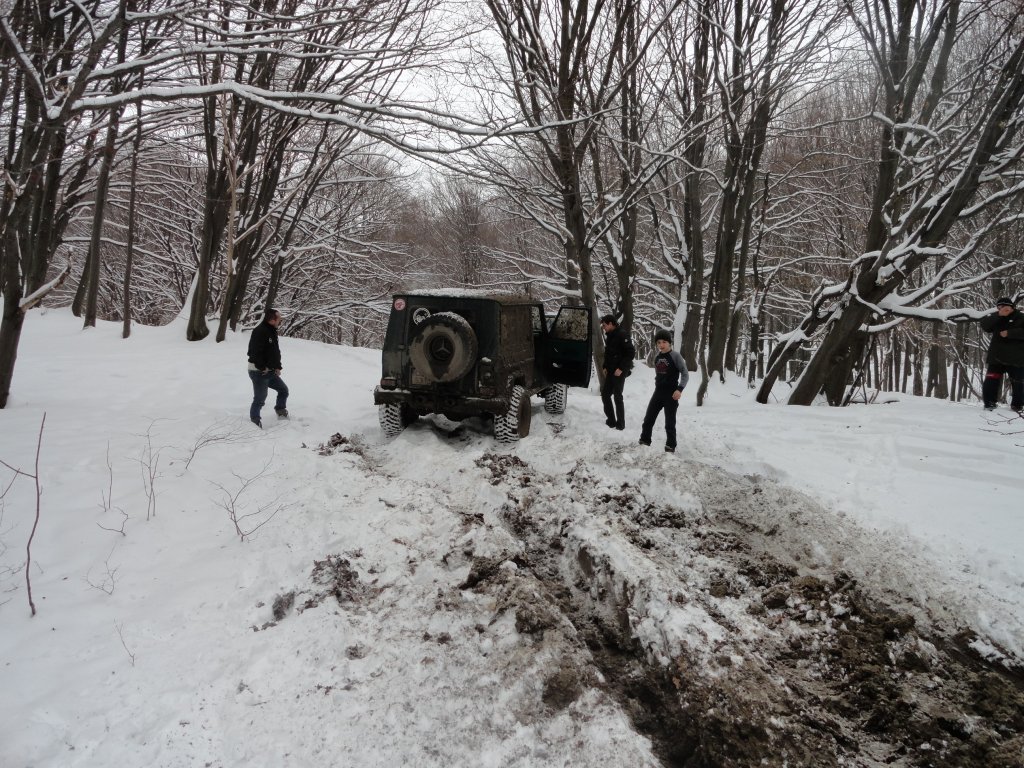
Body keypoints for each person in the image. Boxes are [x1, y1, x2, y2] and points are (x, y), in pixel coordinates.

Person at [639, 328, 688, 452]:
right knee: (648, 419)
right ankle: (644, 441)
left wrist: (679, 390)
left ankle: (670, 446)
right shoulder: (657, 356)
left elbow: (685, 374)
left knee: (669, 424)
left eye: (664, 342)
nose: (661, 345)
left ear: (669, 343)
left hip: (671, 394)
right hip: (658, 393)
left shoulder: (676, 356)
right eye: (659, 342)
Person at [980, 296, 1024, 412]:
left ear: (1012, 307)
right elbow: (985, 325)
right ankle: (989, 403)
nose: (1002, 309)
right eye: (1000, 307)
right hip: (997, 357)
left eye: (1005, 306)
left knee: (1018, 382)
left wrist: (1010, 333)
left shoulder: (1021, 317)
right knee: (991, 380)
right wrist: (998, 315)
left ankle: (1017, 405)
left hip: (1016, 357)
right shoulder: (996, 317)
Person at [247, 308, 289, 427]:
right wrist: (261, 367)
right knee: (260, 399)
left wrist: (277, 367)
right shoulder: (260, 331)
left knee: (283, 390)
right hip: (258, 371)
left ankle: (280, 410)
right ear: (271, 320)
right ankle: (254, 422)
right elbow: (253, 352)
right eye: (278, 319)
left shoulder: (272, 330)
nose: (280, 320)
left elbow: (274, 351)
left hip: (269, 371)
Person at [600, 314, 634, 430]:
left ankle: (620, 424)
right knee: (605, 395)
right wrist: (605, 366)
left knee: (617, 396)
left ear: (610, 324)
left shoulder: (622, 334)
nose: (603, 327)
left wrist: (621, 368)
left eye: (604, 325)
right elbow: (608, 353)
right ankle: (611, 420)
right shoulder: (610, 335)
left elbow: (630, 353)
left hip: (619, 371)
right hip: (610, 370)